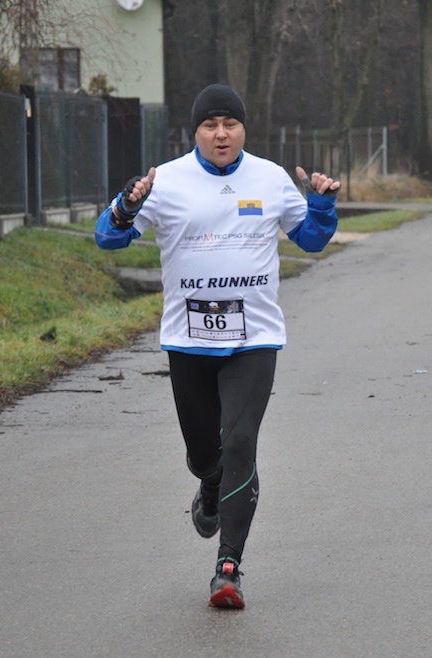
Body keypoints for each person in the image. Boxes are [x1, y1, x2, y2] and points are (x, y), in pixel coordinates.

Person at [94, 83, 340, 610]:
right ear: (195, 132)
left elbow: (313, 240)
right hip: (189, 343)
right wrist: (124, 207)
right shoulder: (166, 181)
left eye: (230, 124)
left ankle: (228, 567)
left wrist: (321, 204)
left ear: (244, 129)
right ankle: (210, 485)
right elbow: (108, 238)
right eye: (210, 125)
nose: (221, 134)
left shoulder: (270, 178)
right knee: (207, 455)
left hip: (255, 340)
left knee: (241, 443)